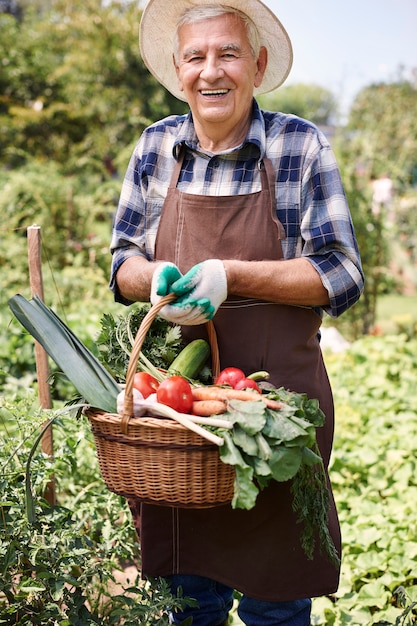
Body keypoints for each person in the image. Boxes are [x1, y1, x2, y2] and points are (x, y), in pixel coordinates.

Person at [109, 1, 364, 624]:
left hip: (274, 416)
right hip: (178, 418)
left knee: (276, 605)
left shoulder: (299, 145)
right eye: (195, 56)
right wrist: (155, 281)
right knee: (188, 602)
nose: (210, 71)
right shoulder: (155, 147)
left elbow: (342, 273)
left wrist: (233, 275)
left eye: (227, 53)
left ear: (258, 63)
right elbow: (121, 264)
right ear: (178, 68)